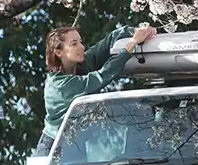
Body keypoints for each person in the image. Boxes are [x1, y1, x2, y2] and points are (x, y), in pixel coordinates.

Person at [34, 22, 157, 155]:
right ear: (58, 52)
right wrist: (133, 43)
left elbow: (108, 41)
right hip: (53, 147)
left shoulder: (81, 64)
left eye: (80, 42)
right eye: (74, 44)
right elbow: (102, 76)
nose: (81, 47)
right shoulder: (60, 85)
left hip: (76, 144)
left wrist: (136, 31)